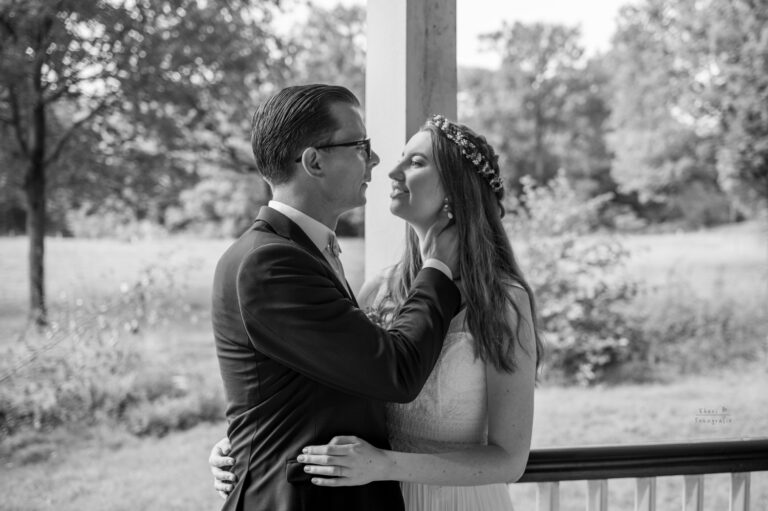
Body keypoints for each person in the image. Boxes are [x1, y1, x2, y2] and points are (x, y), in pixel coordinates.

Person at [211, 114, 543, 510]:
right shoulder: (379, 290)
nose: (392, 171)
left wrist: (385, 465)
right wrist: (246, 442)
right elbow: (328, 388)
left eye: (416, 162)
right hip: (376, 496)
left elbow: (509, 459)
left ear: (457, 188)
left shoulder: (503, 302)